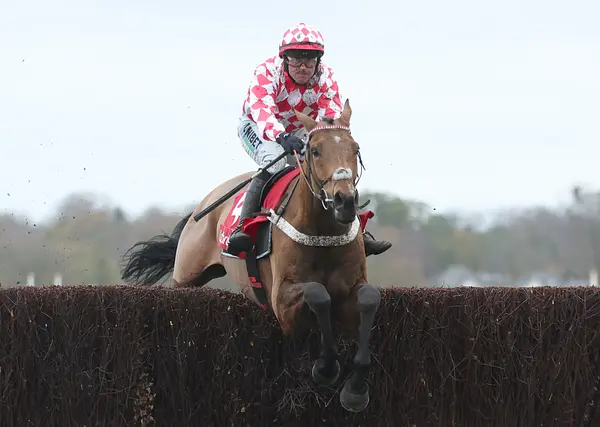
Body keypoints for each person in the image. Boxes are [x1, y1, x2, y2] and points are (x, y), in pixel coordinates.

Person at [227, 22, 392, 257]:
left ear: (318, 61)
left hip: (300, 130)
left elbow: (330, 121)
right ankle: (241, 227)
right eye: (296, 59)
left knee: (327, 162)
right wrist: (281, 135)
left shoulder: (326, 78)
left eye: (310, 60)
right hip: (257, 126)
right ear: (285, 59)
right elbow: (262, 110)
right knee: (276, 162)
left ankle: (356, 230)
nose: (303, 67)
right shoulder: (266, 72)